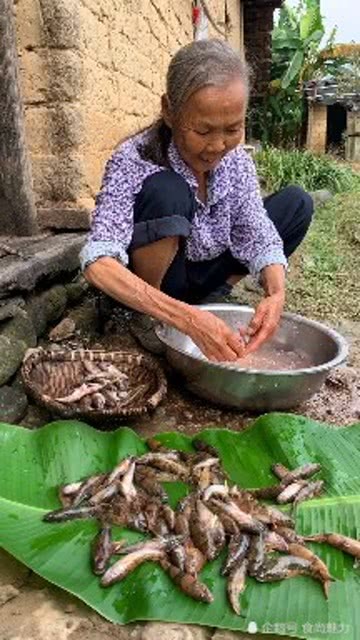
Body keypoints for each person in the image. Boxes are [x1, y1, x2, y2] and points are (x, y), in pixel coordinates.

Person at [80, 39, 313, 363]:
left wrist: (276, 293)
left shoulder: (237, 162)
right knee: (168, 190)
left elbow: (256, 229)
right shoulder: (134, 157)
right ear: (169, 111)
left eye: (233, 129)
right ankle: (150, 319)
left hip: (206, 268)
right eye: (203, 131)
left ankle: (215, 296)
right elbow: (98, 264)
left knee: (297, 203)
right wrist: (187, 319)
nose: (218, 145)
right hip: (161, 281)